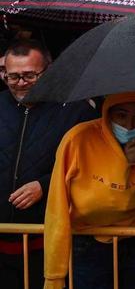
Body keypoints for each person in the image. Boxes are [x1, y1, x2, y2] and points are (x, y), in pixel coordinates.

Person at [44, 92, 135, 289]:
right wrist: (54, 274)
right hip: (86, 244)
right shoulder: (78, 139)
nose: (129, 126)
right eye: (121, 115)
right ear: (108, 114)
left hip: (134, 244)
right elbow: (57, 205)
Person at [0, 40, 95, 288]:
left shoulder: (76, 111)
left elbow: (90, 165)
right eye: (13, 77)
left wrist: (44, 185)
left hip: (50, 241)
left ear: (49, 70)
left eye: (29, 75)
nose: (21, 83)